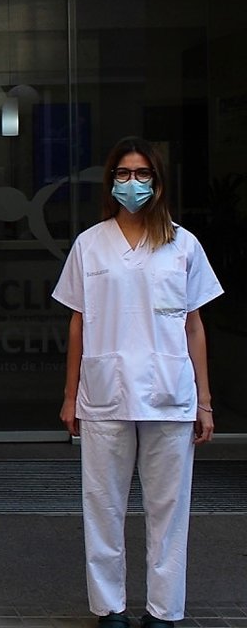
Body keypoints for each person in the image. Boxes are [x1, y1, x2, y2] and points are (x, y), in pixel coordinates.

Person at [53, 137, 222, 628]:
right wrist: (69, 396)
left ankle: (163, 610)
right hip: (105, 392)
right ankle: (110, 608)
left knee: (169, 509)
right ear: (110, 182)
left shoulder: (183, 244)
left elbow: (194, 325)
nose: (132, 183)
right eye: (123, 174)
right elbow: (78, 322)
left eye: (142, 174)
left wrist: (205, 401)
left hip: (169, 392)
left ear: (158, 182)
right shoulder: (90, 244)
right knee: (102, 505)